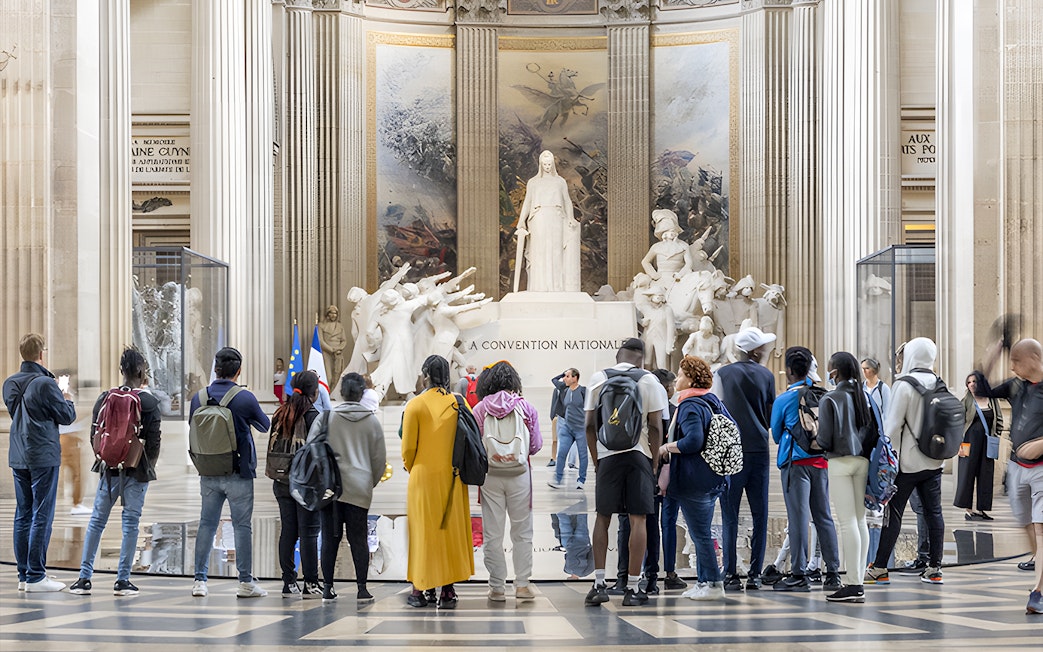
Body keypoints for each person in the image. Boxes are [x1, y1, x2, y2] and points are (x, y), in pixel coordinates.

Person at [68, 348, 162, 597]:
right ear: (142, 372)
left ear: (121, 371)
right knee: (130, 524)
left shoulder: (104, 398)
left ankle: (84, 578)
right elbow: (154, 442)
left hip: (108, 470)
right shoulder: (150, 402)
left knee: (97, 522)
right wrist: (144, 464)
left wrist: (107, 457)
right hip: (137, 471)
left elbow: (94, 435)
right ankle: (122, 580)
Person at [583, 338, 667, 607]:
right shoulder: (648, 380)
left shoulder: (598, 377)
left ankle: (598, 585)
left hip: (608, 456)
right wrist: (654, 462)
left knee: (603, 517)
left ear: (618, 356)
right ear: (640, 359)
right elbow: (655, 426)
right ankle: (632, 588)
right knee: (638, 518)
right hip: (639, 454)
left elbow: (588, 425)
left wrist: (597, 460)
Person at [190, 347, 271, 598]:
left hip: (208, 471)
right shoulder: (244, 398)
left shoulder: (198, 397)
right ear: (238, 371)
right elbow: (265, 425)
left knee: (206, 524)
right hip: (239, 472)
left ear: (216, 369)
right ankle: (245, 582)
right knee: (241, 527)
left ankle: (200, 581)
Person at [865, 337, 946, 586]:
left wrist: (884, 460)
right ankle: (934, 568)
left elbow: (891, 427)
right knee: (934, 513)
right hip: (934, 461)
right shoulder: (939, 383)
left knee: (894, 514)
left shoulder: (904, 384)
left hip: (907, 464)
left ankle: (879, 567)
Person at [973, 338, 1043, 614]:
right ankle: (1039, 568)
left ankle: (1038, 591)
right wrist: (993, 353)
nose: (1012, 367)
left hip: (1040, 470)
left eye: (1016, 361)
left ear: (1035, 359)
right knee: (1026, 523)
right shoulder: (1017, 386)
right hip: (1017, 467)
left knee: (1040, 526)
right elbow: (982, 390)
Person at [4, 333, 77, 592]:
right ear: (41, 354)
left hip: (18, 453)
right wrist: (66, 394)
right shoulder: (46, 384)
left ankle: (24, 575)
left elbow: (18, 414)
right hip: (42, 453)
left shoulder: (9, 383)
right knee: (41, 514)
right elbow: (67, 416)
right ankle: (36, 575)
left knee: (23, 513)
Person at [401, 355, 474, 608]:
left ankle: (420, 590)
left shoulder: (415, 405)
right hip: (453, 477)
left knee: (423, 533)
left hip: (422, 477)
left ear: (426, 375)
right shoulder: (459, 402)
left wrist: (413, 467)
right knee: (448, 532)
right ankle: (447, 591)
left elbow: (408, 448)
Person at [770, 346, 842, 593]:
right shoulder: (823, 395)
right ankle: (832, 572)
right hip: (820, 461)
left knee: (799, 517)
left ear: (789, 371)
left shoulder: (783, 399)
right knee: (824, 516)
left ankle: (798, 573)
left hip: (795, 463)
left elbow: (777, 435)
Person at [658, 355, 730, 600]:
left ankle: (713, 584)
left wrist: (668, 447)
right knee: (701, 531)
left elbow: (693, 441)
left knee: (699, 533)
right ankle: (702, 582)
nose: (676, 379)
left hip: (694, 479)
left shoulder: (689, 406)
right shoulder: (711, 401)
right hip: (713, 476)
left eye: (680, 374)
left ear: (690, 378)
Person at [711, 326, 776, 592]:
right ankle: (755, 574)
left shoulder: (722, 374)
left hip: (731, 451)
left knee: (730, 514)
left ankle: (730, 574)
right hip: (759, 448)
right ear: (755, 351)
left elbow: (717, 410)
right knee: (761, 514)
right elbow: (771, 416)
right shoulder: (767, 375)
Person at [471, 361, 543, 601]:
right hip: (520, 475)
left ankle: (497, 587)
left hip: (490, 476)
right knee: (522, 531)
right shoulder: (526, 408)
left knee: (493, 532)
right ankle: (522, 585)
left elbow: (474, 446)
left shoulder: (480, 409)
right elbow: (535, 446)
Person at [818, 351, 880, 603]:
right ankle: (858, 578)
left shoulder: (830, 398)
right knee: (860, 520)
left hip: (840, 461)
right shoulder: (864, 396)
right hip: (863, 460)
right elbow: (875, 432)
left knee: (847, 522)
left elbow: (825, 439)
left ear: (834, 372)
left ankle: (853, 583)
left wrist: (813, 433)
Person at [320, 372, 387, 603]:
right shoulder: (372, 421)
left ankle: (328, 587)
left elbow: (312, 449)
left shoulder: (327, 417)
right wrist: (370, 482)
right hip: (359, 487)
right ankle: (361, 587)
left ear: (341, 393)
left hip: (330, 488)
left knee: (329, 538)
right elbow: (379, 460)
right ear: (361, 394)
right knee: (359, 538)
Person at [268, 370, 322, 598]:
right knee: (309, 532)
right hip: (306, 483)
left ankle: (288, 582)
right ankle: (311, 583)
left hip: (281, 479)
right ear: (315, 392)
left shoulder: (280, 412)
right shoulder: (314, 416)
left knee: (288, 531)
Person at [515, 150, 581, 292]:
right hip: (538, 218)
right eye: (545, 164)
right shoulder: (533, 182)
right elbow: (527, 202)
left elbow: (567, 201)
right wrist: (521, 221)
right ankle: (538, 286)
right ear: (540, 164)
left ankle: (555, 286)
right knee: (539, 252)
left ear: (553, 164)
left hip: (556, 218)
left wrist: (570, 217)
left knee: (555, 251)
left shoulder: (560, 182)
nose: (547, 166)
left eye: (549, 164)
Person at [653, 368, 686, 591]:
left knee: (650, 523)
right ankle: (670, 572)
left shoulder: (646, 411)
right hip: (671, 474)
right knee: (668, 523)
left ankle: (650, 571)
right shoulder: (676, 411)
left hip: (650, 473)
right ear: (666, 388)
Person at [955, 373, 1003, 521]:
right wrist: (958, 444)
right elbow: (957, 423)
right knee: (966, 475)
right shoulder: (966, 401)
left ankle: (982, 509)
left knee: (986, 475)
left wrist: (996, 435)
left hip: (987, 443)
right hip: (967, 443)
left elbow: (999, 419)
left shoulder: (992, 400)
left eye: (974, 381)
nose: (972, 384)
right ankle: (968, 510)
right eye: (969, 382)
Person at [548, 368, 587, 490]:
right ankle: (558, 479)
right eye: (564, 376)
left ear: (575, 378)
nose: (564, 378)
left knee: (582, 455)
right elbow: (554, 380)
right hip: (567, 427)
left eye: (567, 376)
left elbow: (590, 408)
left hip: (580, 428)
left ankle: (581, 480)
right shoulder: (565, 390)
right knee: (561, 453)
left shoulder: (583, 391)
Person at [319, 305, 348, 384]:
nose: (333, 315)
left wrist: (339, 349)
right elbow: (321, 341)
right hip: (327, 353)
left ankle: (334, 395)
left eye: (335, 313)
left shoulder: (340, 326)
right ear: (328, 314)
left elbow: (344, 341)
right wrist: (331, 350)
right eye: (331, 313)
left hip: (338, 353)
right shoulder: (321, 325)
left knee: (337, 376)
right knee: (329, 376)